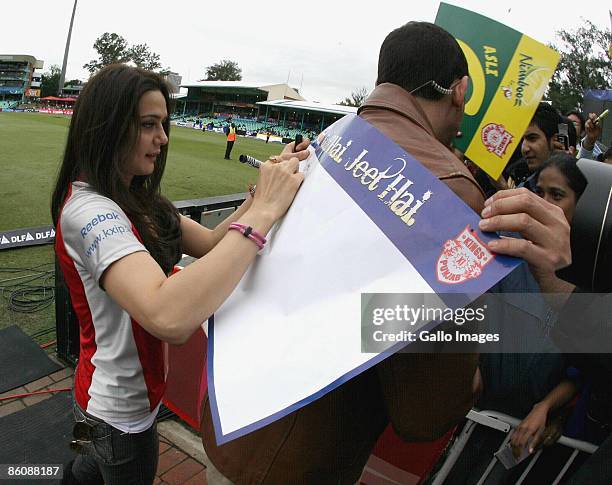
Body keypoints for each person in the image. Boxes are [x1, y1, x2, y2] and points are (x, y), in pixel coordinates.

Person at [200, 21, 572, 484]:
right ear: (460, 91)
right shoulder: (451, 188)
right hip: (305, 457)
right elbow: (424, 410)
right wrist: (473, 380)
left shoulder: (332, 136)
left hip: (230, 415)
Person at [52, 64, 308, 485]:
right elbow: (167, 315)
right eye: (149, 125)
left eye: (164, 124)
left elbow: (210, 243)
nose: (163, 138)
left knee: (87, 471)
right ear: (109, 126)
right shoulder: (89, 210)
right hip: (119, 412)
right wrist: (265, 211)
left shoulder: (132, 191)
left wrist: (262, 194)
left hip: (114, 400)